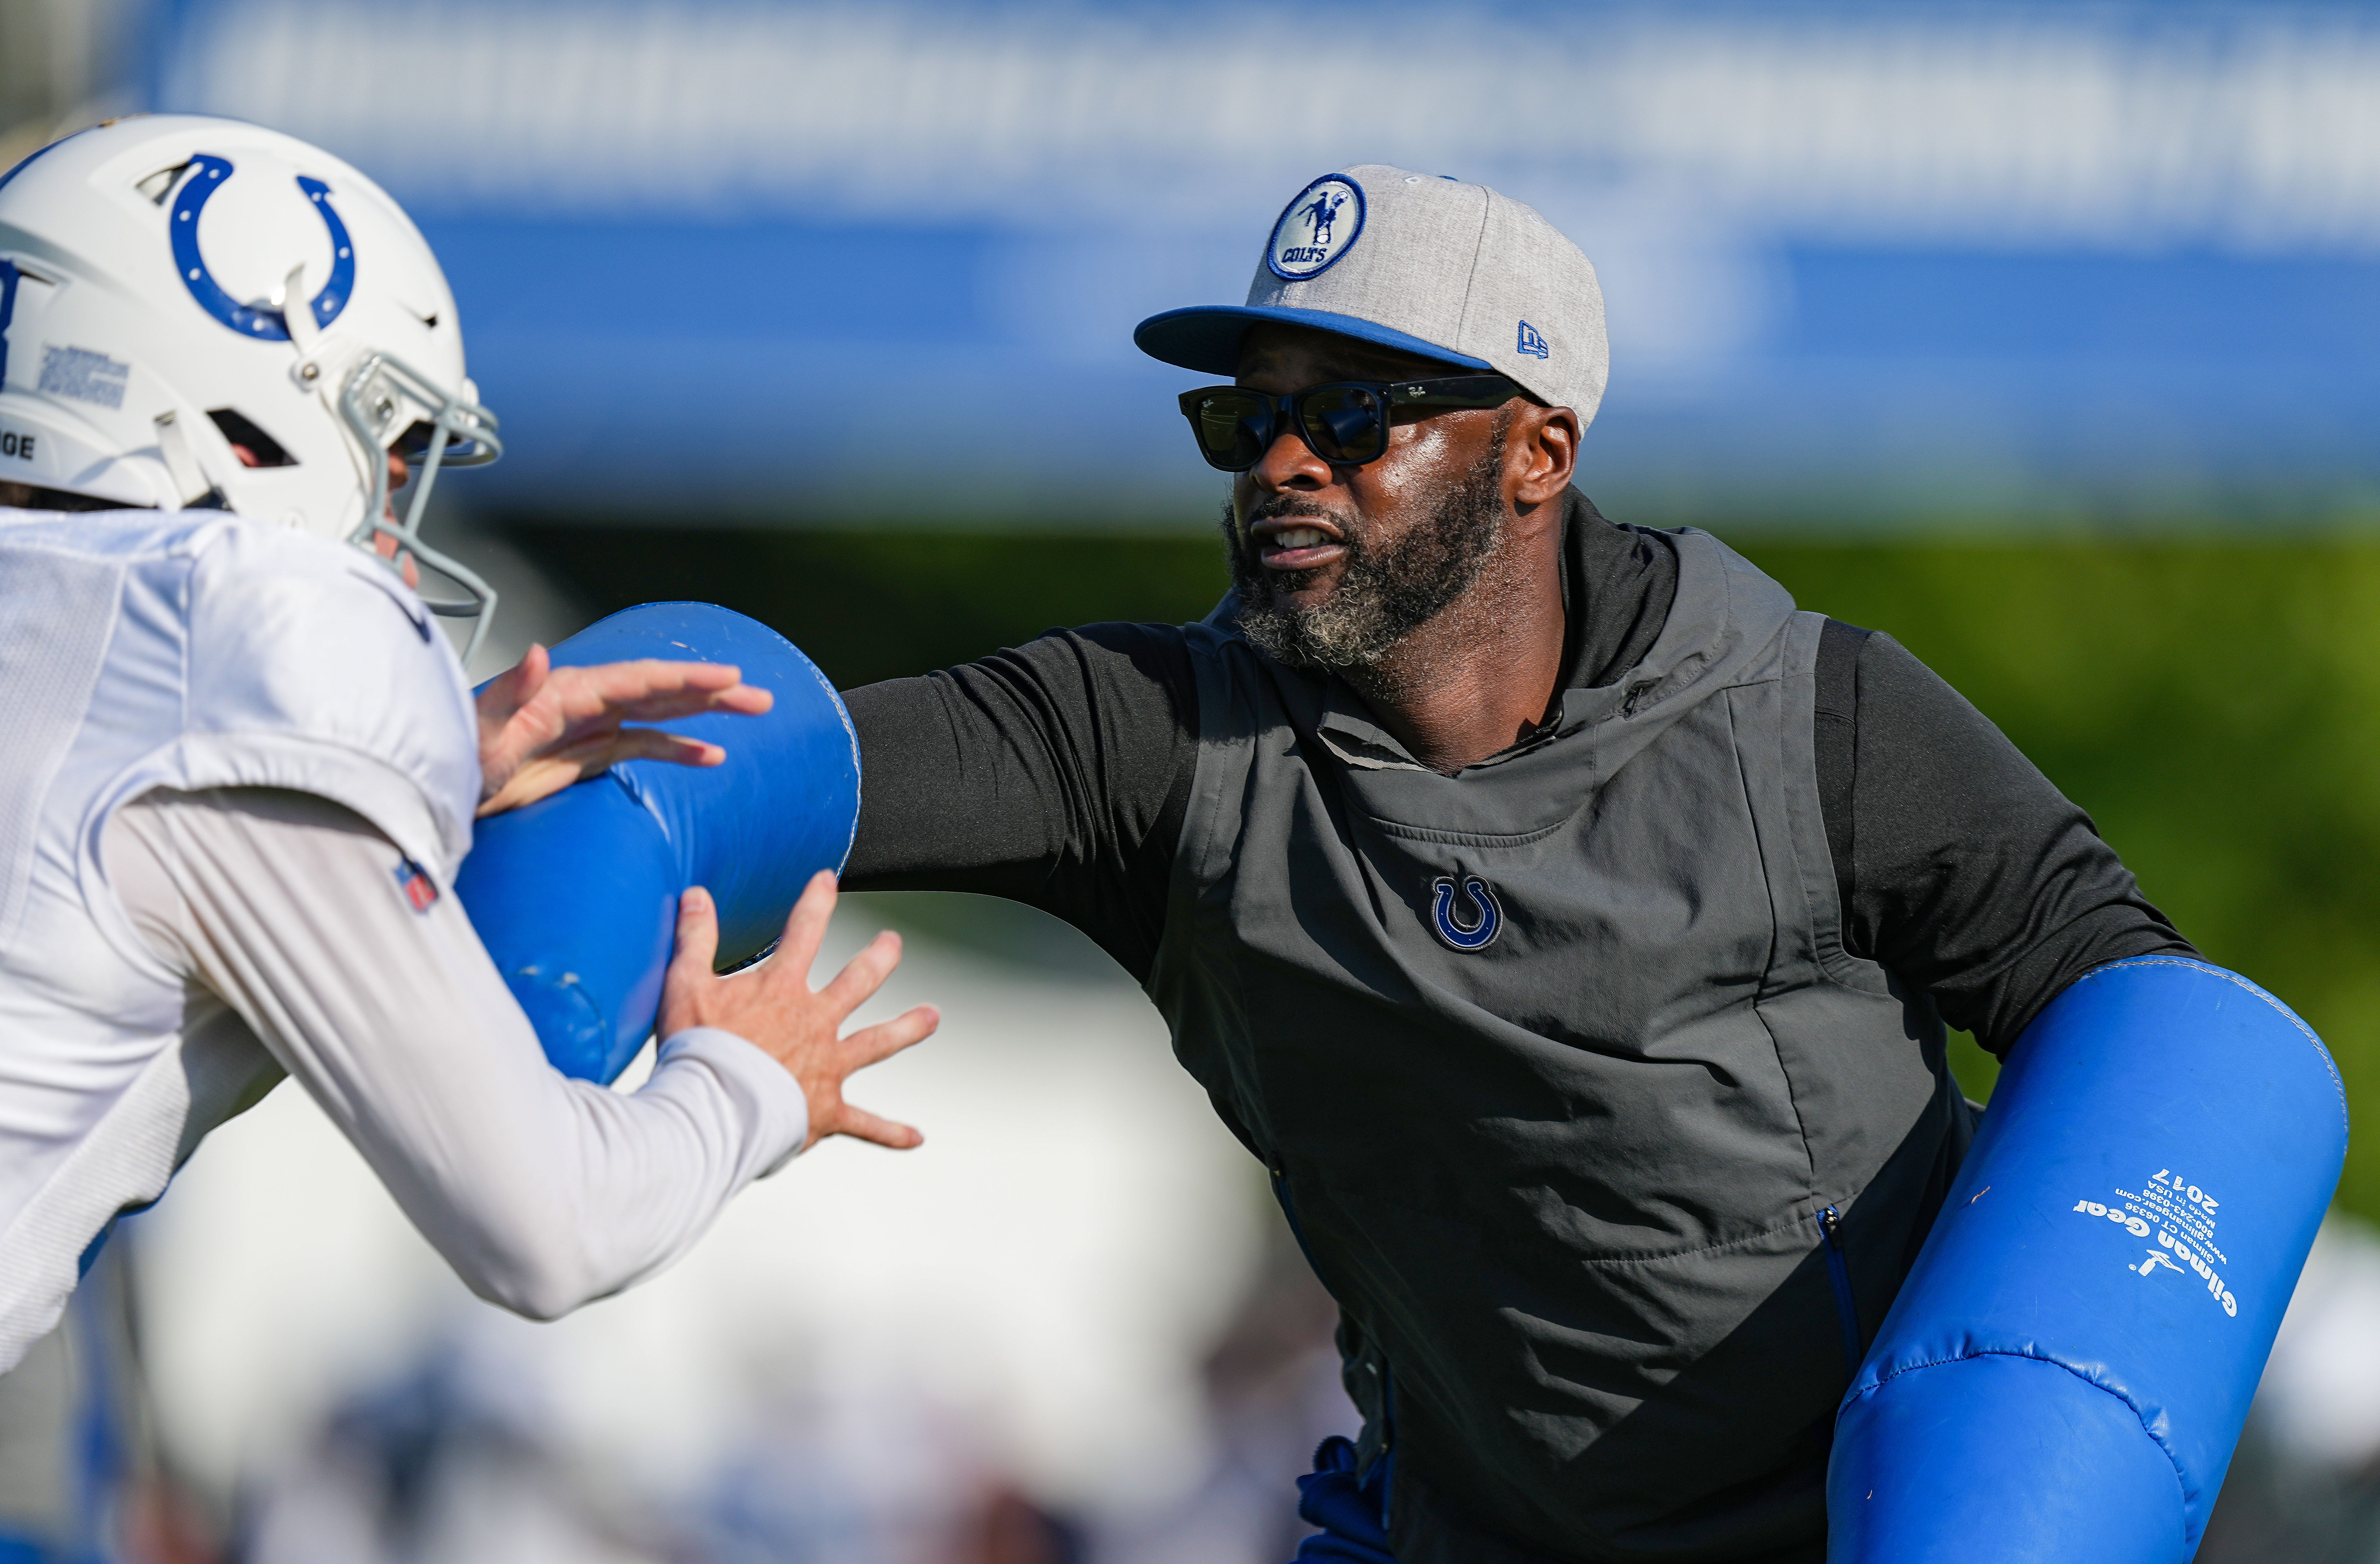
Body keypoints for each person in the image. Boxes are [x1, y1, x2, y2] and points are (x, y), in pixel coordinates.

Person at [836, 165, 2194, 1563]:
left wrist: (2035, 1455)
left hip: (1857, 1532)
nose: (1284, 465)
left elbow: (2158, 1033)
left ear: (1538, 453)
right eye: (1248, 419)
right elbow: (778, 761)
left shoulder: (1817, 720)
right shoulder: (1155, 743)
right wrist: (612, 780)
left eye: (1355, 415)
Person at [0, 114, 937, 1379]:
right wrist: (752, 1083)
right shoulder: (247, 651)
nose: (393, 518)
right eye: (388, 452)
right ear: (238, 417)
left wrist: (442, 762)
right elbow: (548, 1232)